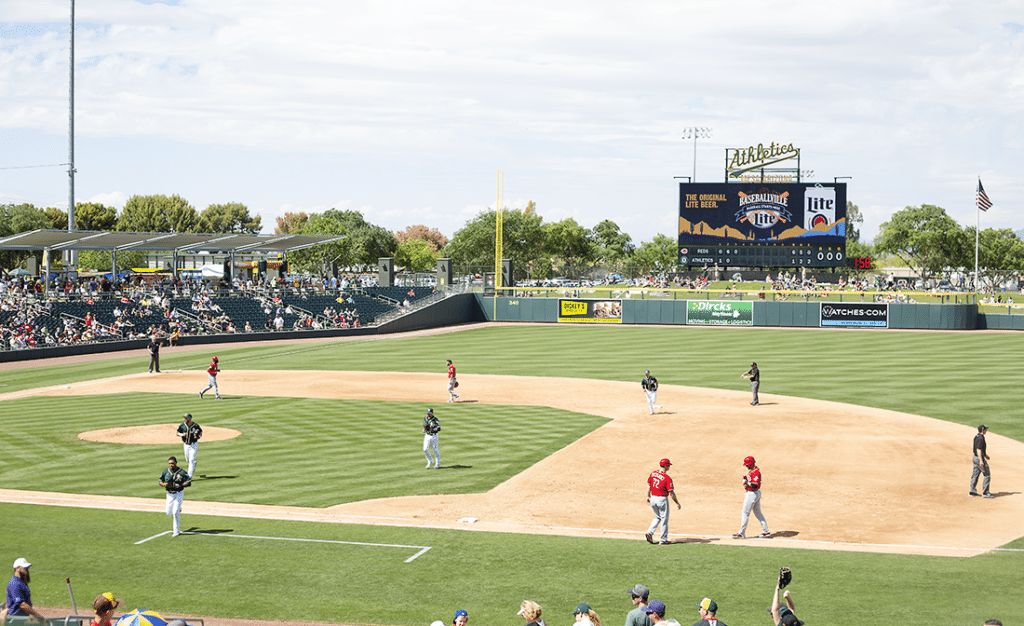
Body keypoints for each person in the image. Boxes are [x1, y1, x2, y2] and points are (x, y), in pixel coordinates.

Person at [733, 456, 770, 539]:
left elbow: (755, 485)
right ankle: (766, 531)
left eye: (747, 465)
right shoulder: (753, 471)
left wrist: (747, 482)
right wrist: (746, 480)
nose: (746, 466)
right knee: (758, 513)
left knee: (745, 513)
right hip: (754, 493)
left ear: (751, 464)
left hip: (752, 494)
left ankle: (741, 533)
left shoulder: (756, 472)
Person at [645, 458, 681, 545]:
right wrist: (677, 502)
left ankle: (650, 532)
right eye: (668, 465)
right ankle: (663, 540)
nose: (669, 467)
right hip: (662, 499)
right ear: (666, 466)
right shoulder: (667, 478)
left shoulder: (653, 474)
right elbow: (671, 492)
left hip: (653, 498)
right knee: (664, 520)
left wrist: (648, 496)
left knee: (657, 517)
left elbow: (649, 485)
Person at [159, 456, 192, 537]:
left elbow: (189, 481)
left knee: (175, 513)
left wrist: (181, 485)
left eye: (172, 463)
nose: (171, 465)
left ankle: (176, 531)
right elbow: (160, 480)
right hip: (169, 494)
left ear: (176, 463)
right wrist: (163, 484)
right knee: (168, 512)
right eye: (170, 463)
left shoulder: (182, 472)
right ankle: (178, 508)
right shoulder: (166, 472)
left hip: (179, 493)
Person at [5, 558, 45, 623]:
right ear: (17, 569)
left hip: (21, 618)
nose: (27, 570)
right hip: (16, 620)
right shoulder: (15, 584)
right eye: (25, 568)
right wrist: (38, 616)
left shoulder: (21, 581)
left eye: (28, 567)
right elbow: (22, 605)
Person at [970, 424, 993, 498]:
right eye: (985, 429)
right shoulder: (981, 438)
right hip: (979, 458)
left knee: (975, 475)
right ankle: (985, 492)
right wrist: (981, 460)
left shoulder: (976, 436)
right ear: (982, 430)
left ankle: (972, 492)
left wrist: (985, 455)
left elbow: (978, 448)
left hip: (975, 458)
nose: (986, 430)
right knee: (987, 475)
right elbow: (978, 449)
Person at [176, 413, 203, 478]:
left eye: (186, 418)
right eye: (184, 418)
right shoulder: (182, 425)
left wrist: (198, 437)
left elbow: (200, 432)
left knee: (191, 460)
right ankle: (193, 464)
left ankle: (189, 476)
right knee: (187, 459)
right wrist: (182, 435)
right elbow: (177, 433)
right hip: (186, 445)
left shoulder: (195, 425)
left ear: (190, 419)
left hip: (193, 445)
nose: (185, 419)